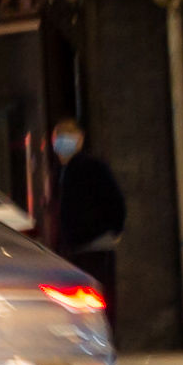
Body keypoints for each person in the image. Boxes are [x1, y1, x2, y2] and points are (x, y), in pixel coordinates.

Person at [42, 119, 129, 328]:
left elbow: (115, 201)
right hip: (73, 246)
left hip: (95, 242)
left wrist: (112, 230)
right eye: (59, 137)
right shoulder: (59, 172)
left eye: (68, 136)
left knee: (98, 295)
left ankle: (104, 336)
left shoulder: (92, 167)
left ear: (80, 140)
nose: (62, 143)